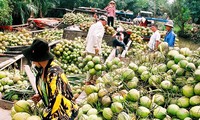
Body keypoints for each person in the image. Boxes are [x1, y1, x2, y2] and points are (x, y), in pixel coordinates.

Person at [22, 39, 78, 120]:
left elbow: (57, 100)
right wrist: (41, 95)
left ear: (38, 58)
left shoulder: (54, 73)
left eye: (33, 59)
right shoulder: (42, 69)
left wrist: (47, 117)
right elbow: (49, 89)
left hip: (64, 113)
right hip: (53, 110)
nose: (33, 62)